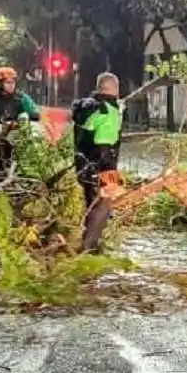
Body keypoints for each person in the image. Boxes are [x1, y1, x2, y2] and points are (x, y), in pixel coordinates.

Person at [71, 72, 124, 253]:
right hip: (99, 167)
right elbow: (104, 144)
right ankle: (88, 249)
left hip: (82, 166)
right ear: (115, 89)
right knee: (103, 206)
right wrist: (111, 176)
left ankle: (86, 244)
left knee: (91, 203)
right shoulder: (108, 111)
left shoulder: (87, 107)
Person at [0, 67, 40, 175]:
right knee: (2, 158)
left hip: (20, 134)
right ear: (1, 84)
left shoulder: (22, 98)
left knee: (24, 161)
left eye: (13, 82)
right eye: (8, 83)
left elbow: (34, 114)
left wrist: (25, 119)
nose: (11, 85)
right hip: (1, 134)